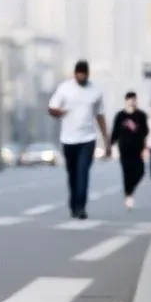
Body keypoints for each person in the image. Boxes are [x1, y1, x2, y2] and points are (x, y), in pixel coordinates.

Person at [48, 60, 110, 220]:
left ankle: (81, 207)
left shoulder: (95, 91)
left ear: (88, 74)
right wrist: (60, 112)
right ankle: (73, 204)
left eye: (84, 74)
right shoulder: (65, 88)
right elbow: (52, 108)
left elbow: (100, 116)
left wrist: (106, 140)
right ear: (75, 74)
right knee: (72, 174)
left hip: (87, 139)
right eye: (79, 73)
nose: (81, 76)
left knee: (83, 172)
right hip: (68, 139)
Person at [111, 91, 149, 210]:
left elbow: (145, 131)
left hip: (138, 149)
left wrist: (145, 147)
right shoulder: (120, 116)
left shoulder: (141, 115)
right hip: (124, 149)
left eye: (134, 100)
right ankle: (128, 195)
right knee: (127, 173)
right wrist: (110, 144)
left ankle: (130, 190)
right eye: (130, 100)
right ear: (126, 101)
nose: (132, 102)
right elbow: (115, 132)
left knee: (140, 172)